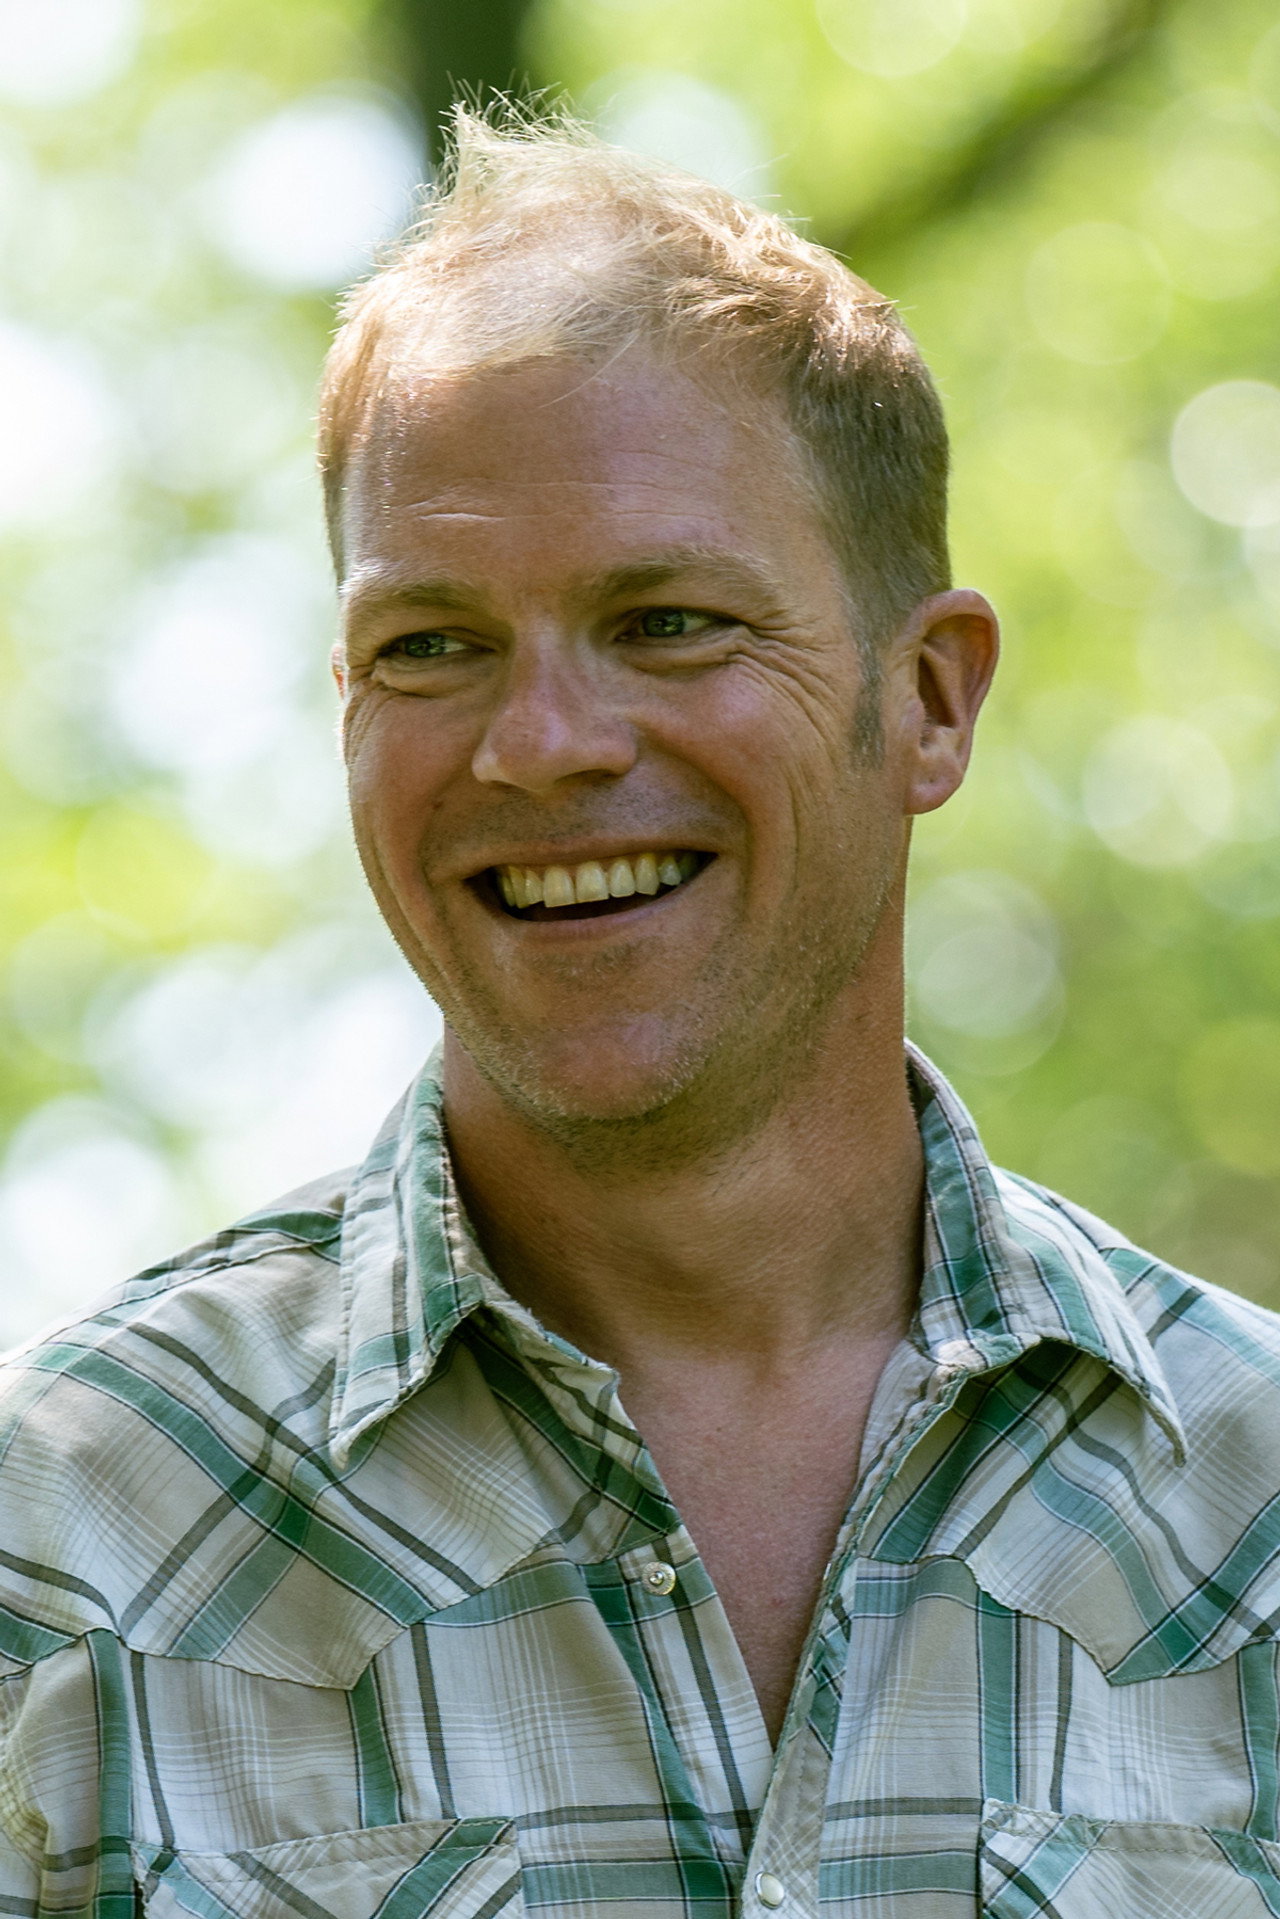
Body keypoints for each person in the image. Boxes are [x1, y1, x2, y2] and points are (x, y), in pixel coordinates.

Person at [2, 109, 1280, 1919]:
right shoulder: (62, 1549)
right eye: (430, 646)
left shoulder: (1255, 1523)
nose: (542, 746)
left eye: (668, 621)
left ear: (930, 700)